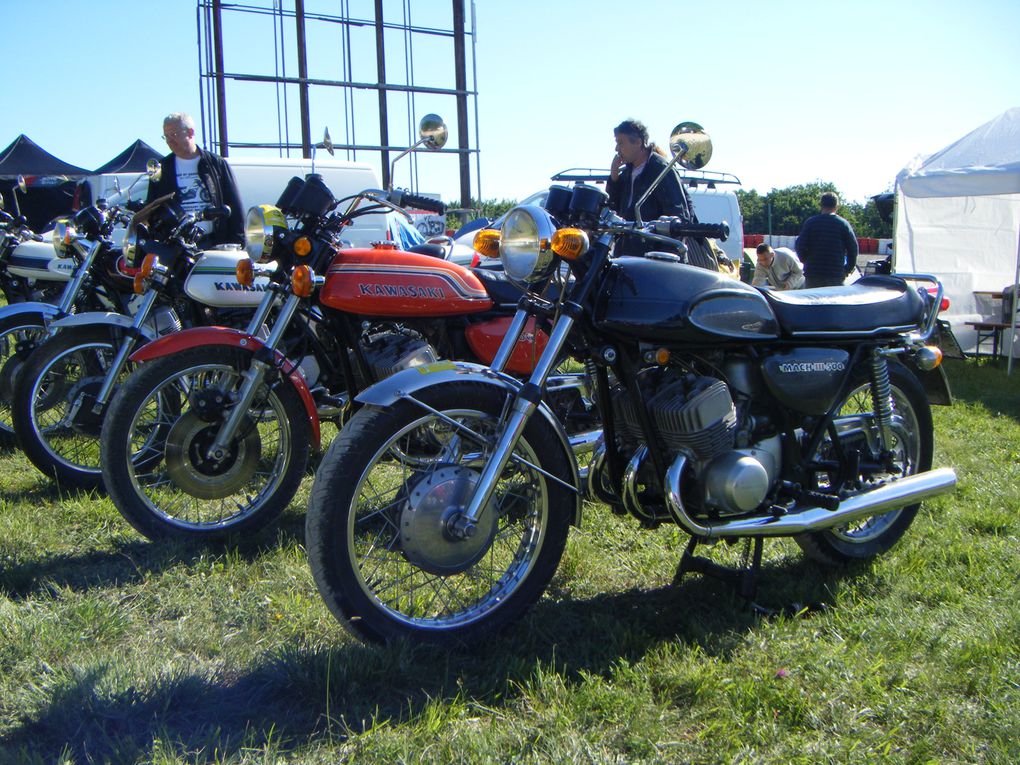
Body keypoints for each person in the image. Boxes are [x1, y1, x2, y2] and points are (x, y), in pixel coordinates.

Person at [146, 112, 244, 247]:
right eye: (166, 136)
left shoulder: (216, 164)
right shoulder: (162, 168)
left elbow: (234, 205)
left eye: (174, 134)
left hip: (215, 243)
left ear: (190, 132)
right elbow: (152, 208)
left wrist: (238, 241)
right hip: (177, 247)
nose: (169, 141)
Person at [606, 119, 694, 223]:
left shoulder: (661, 169)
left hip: (651, 238)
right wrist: (614, 178)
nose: (616, 149)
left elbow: (678, 215)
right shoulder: (626, 173)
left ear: (638, 142)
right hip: (627, 238)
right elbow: (612, 209)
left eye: (620, 143)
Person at [795, 192, 858, 288]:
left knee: (812, 302)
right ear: (837, 206)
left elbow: (800, 246)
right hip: (835, 274)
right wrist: (847, 269)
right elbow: (853, 249)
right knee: (834, 302)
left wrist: (807, 262)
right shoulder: (843, 224)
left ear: (821, 205)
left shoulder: (811, 223)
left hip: (814, 273)